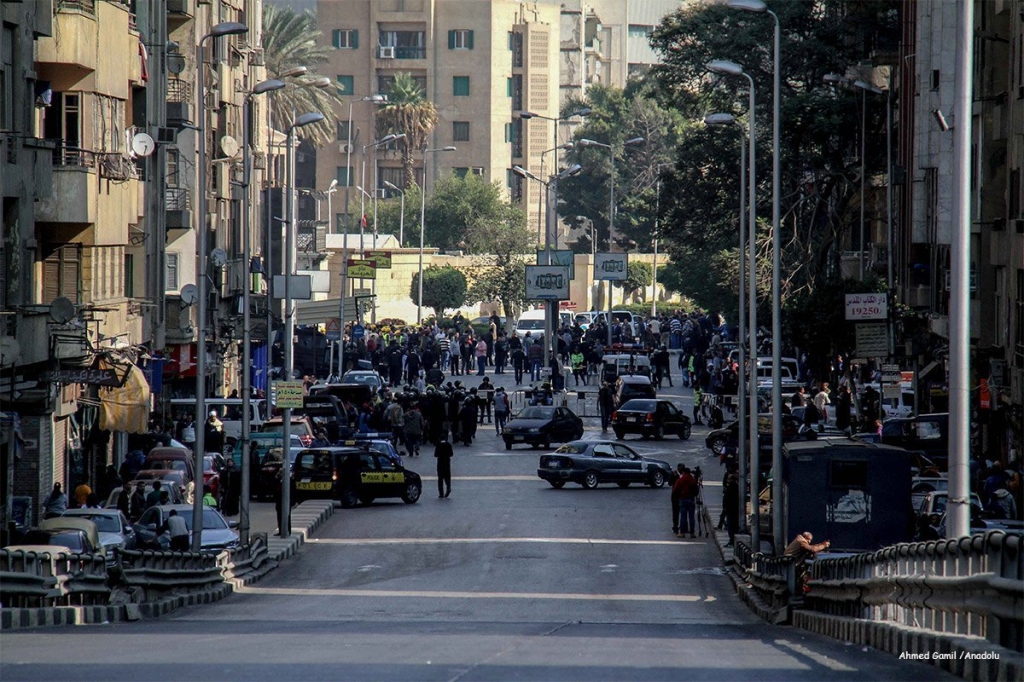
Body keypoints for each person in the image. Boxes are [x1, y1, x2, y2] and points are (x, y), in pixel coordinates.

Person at [672, 467, 699, 538]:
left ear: (684, 472)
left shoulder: (681, 480)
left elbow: (675, 489)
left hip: (683, 499)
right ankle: (692, 533)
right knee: (692, 517)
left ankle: (682, 532)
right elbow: (697, 489)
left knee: (683, 517)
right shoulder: (693, 480)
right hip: (691, 499)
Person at [721, 467, 740, 547]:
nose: (727, 481)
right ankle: (732, 540)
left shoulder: (731, 488)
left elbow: (727, 498)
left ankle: (732, 540)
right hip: (733, 509)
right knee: (732, 525)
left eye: (729, 479)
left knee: (731, 525)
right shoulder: (736, 487)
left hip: (731, 509)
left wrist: (725, 507)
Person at [434, 432, 454, 498]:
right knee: (447, 476)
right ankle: (448, 487)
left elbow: (435, 454)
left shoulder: (438, 445)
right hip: (447, 462)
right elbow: (451, 454)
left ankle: (441, 493)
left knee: (440, 478)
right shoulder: (448, 445)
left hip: (440, 462)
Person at [670, 464, 685, 536]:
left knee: (682, 511)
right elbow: (670, 483)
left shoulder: (685, 475)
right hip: (676, 495)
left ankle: (682, 526)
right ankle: (675, 526)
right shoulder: (674, 475)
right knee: (676, 511)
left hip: (682, 495)